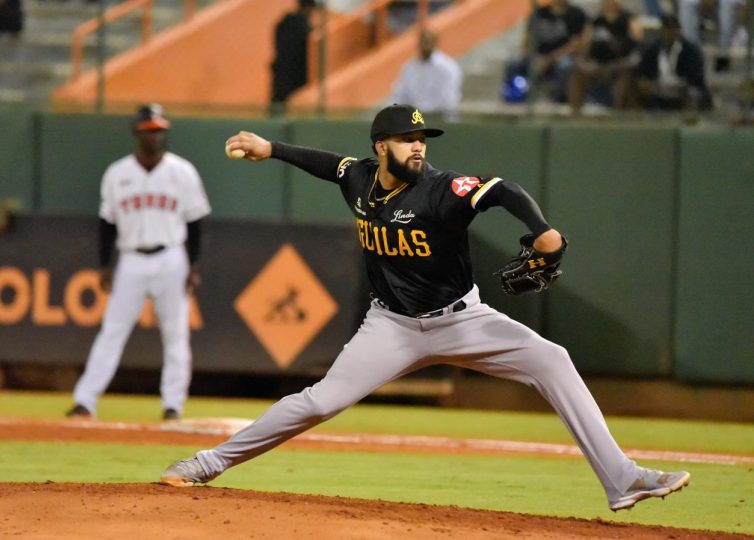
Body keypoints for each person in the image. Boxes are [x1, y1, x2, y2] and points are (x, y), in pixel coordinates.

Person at [160, 103, 691, 512]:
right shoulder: (360, 178)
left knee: (552, 359)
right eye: (407, 139)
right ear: (380, 146)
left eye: (421, 139)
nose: (418, 147)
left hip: (462, 320)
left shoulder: (440, 190)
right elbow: (327, 164)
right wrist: (270, 147)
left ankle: (622, 480)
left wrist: (543, 232)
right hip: (389, 326)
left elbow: (502, 190)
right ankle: (206, 463)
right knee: (319, 403)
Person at [66, 104, 211, 421]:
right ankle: (85, 401)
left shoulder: (182, 171)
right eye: (148, 130)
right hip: (131, 258)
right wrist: (105, 265)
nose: (154, 136)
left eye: (158, 130)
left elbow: (196, 222)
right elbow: (107, 223)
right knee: (112, 331)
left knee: (176, 335)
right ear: (136, 131)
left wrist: (194, 265)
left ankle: (173, 405)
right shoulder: (118, 174)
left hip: (171, 256)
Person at [503, 0, 589, 103]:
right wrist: (534, 57)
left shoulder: (576, 14)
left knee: (565, 66)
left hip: (560, 57)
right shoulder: (539, 13)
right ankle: (515, 98)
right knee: (514, 64)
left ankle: (559, 101)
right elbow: (527, 40)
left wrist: (549, 59)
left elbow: (576, 44)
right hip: (538, 57)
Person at [568, 0, 643, 113]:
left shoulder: (629, 20)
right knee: (577, 74)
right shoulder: (596, 21)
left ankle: (617, 117)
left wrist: (615, 66)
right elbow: (584, 49)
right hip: (597, 66)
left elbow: (637, 53)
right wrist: (589, 65)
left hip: (619, 67)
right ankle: (576, 114)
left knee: (625, 79)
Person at [634, 14, 712, 111]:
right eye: (666, 29)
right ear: (661, 30)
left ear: (678, 31)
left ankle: (689, 123)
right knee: (635, 90)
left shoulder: (690, 51)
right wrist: (646, 82)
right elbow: (642, 72)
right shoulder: (652, 50)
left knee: (692, 94)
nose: (669, 33)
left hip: (682, 89)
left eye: (672, 29)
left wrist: (683, 85)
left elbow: (696, 77)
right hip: (658, 88)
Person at [390, 28, 462, 121]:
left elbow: (451, 98)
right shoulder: (409, 68)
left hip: (438, 117)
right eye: (423, 41)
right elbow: (400, 94)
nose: (425, 44)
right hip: (414, 119)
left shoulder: (447, 67)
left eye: (428, 41)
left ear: (435, 42)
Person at [269, 0, 317, 116]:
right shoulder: (303, 26)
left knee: (278, 106)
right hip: (295, 74)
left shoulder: (283, 23)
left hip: (281, 73)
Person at [677, 0, 747, 72]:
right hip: (702, 6)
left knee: (728, 3)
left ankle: (723, 58)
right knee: (687, 3)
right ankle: (691, 53)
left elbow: (743, 6)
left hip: (722, 9)